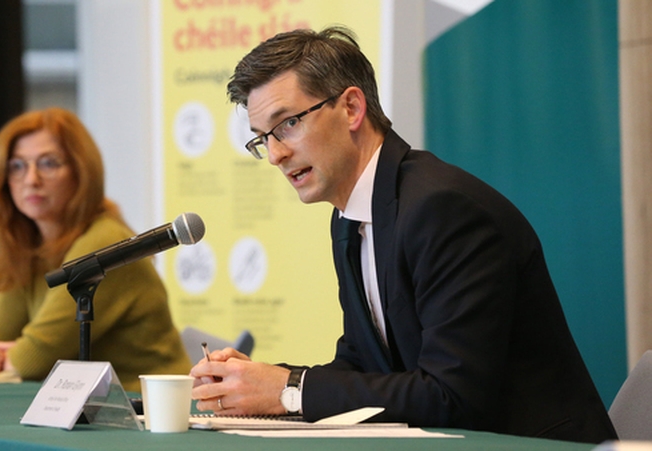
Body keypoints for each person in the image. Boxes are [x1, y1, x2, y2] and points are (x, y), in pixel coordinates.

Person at [190, 27, 617, 443]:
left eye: (288, 125)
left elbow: (452, 396)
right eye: (263, 139)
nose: (276, 155)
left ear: (352, 108)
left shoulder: (443, 210)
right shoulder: (351, 217)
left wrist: (290, 389)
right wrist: (260, 381)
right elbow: (363, 363)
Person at [0, 107, 191, 391]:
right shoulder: (30, 245)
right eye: (17, 166)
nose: (31, 180)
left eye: (48, 163)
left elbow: (31, 361)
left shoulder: (104, 241)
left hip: (147, 411)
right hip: (97, 411)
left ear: (81, 172)